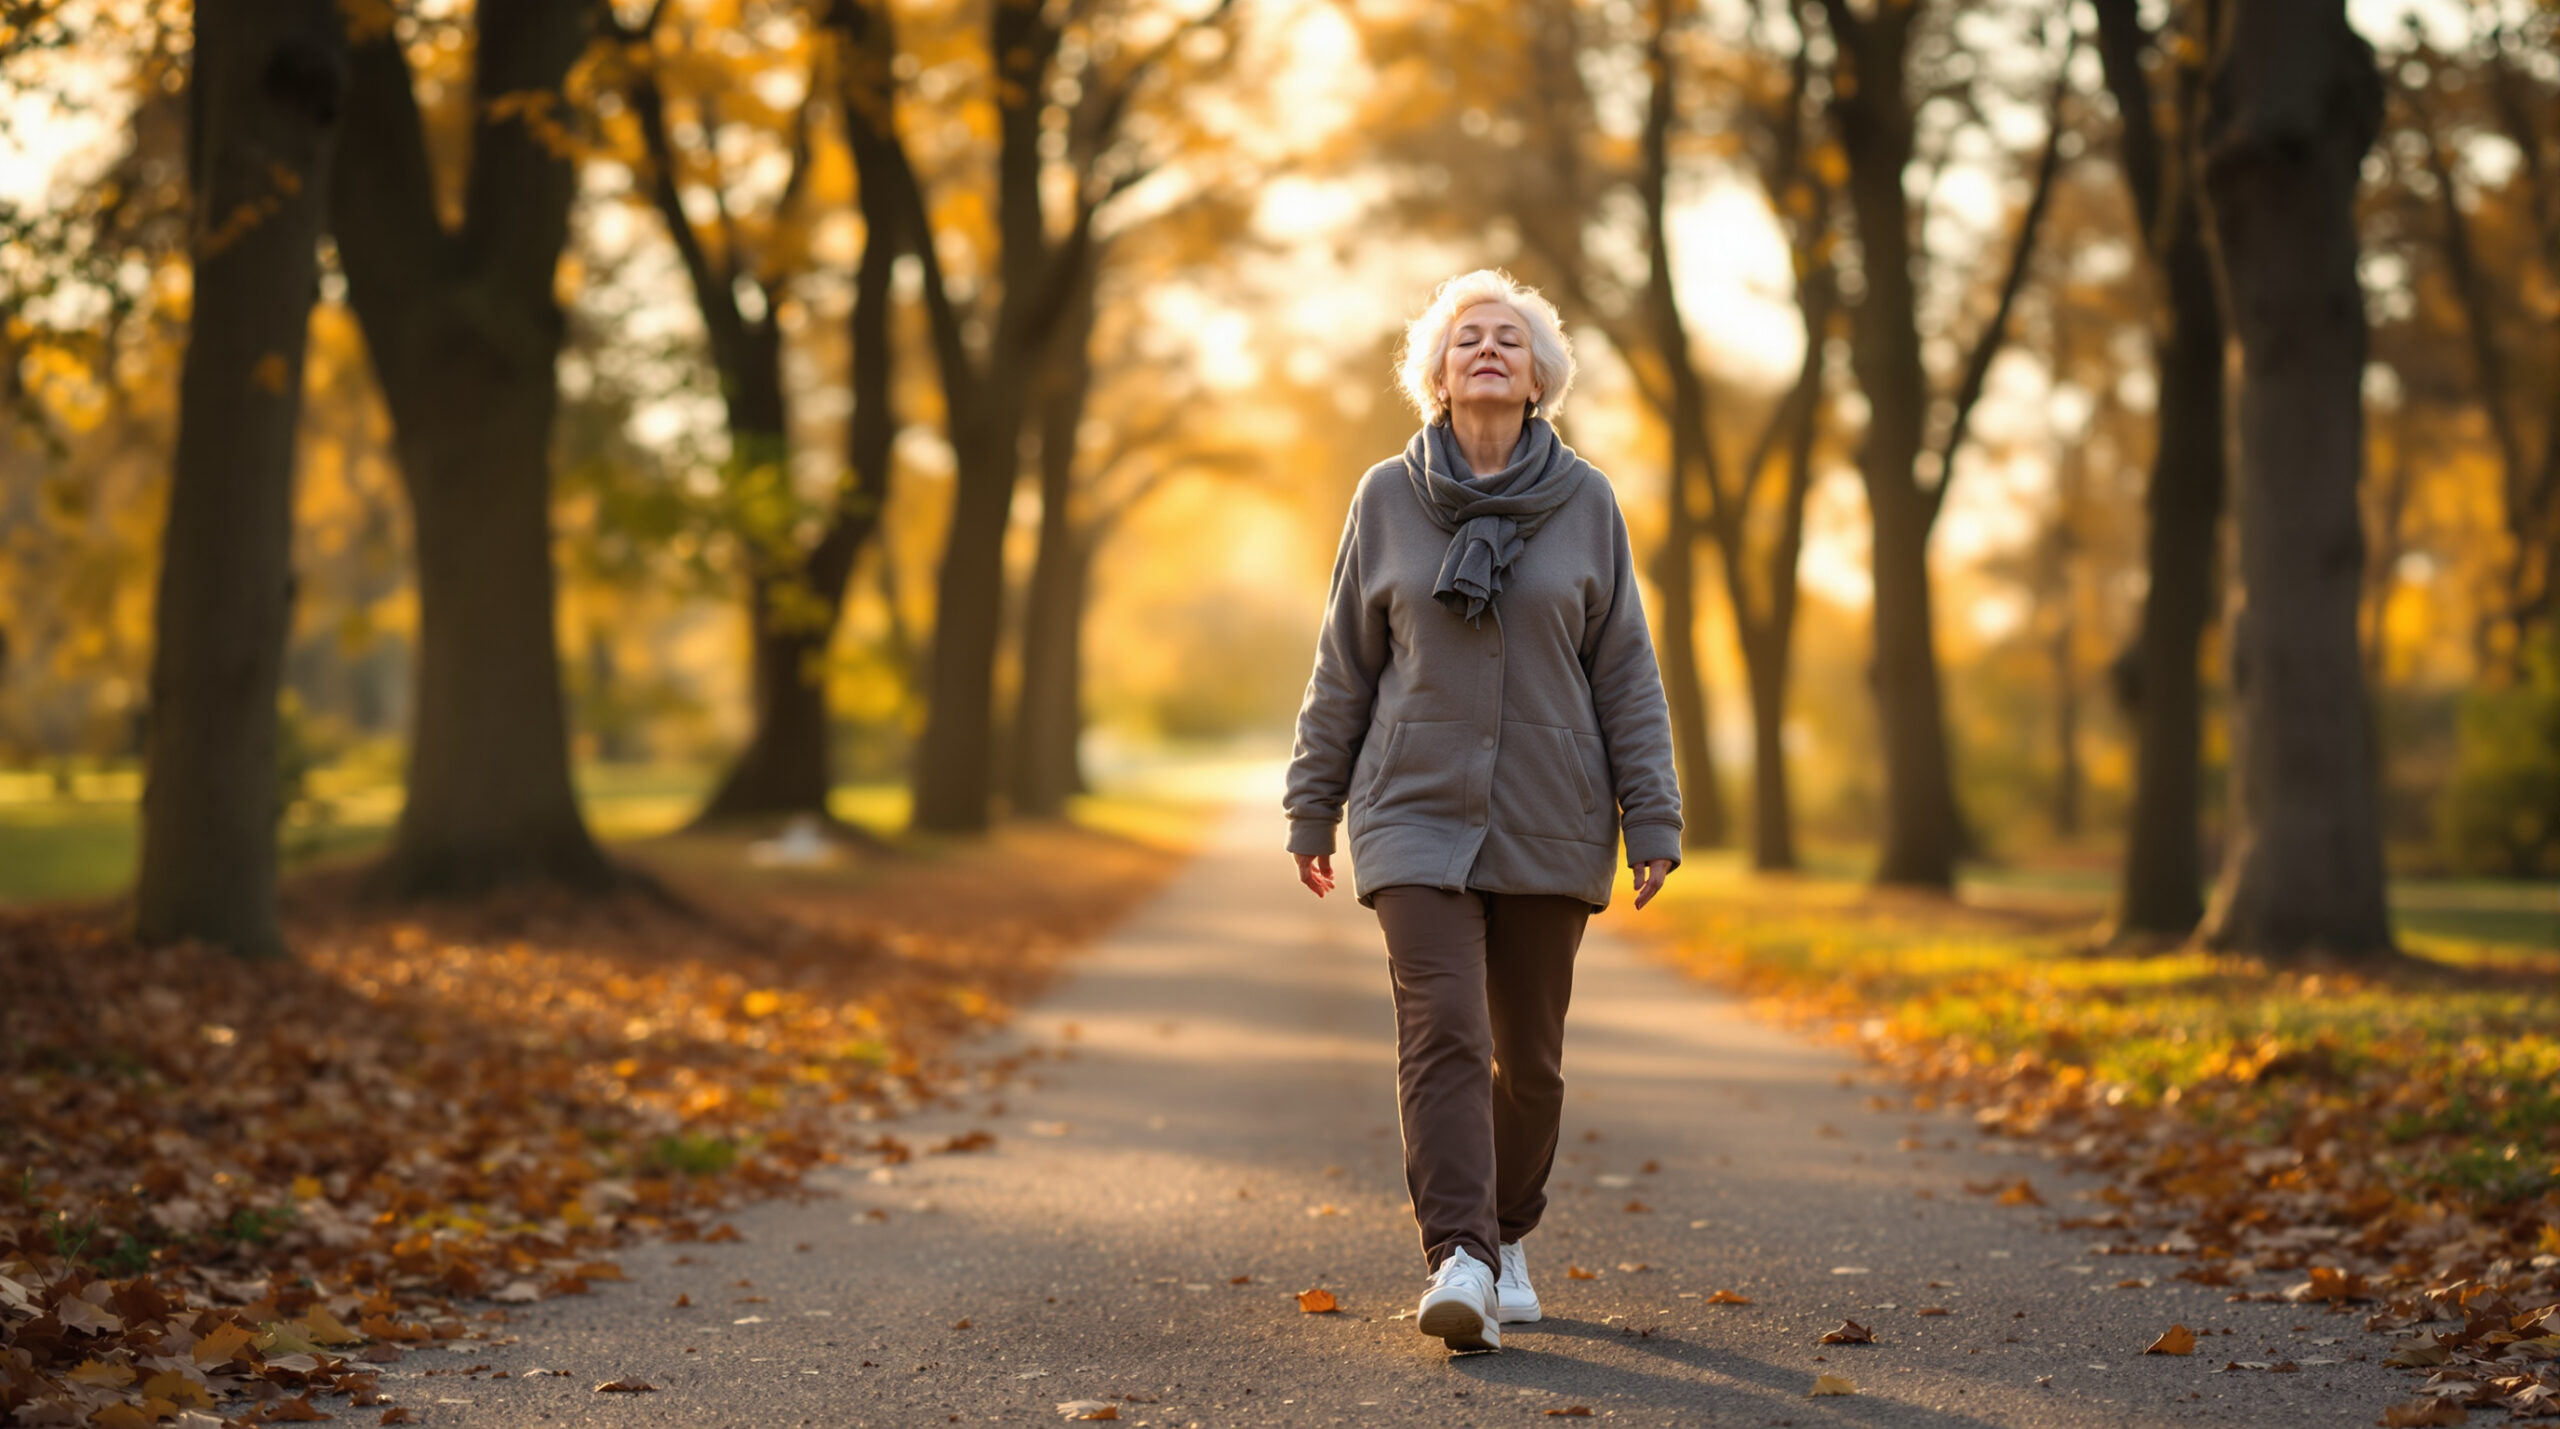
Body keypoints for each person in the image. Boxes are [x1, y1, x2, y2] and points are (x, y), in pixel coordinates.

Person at [1282, 268, 1683, 1352]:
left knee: (1531, 1059)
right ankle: (1456, 1254)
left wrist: (1652, 815)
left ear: (1539, 375)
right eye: (1468, 338)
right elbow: (1343, 667)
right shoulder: (1385, 498)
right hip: (1411, 808)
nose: (1489, 349)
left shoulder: (1588, 502)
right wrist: (1311, 804)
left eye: (1510, 337)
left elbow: (1627, 674)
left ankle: (1508, 1233)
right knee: (1443, 1027)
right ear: (1437, 374)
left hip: (1550, 812)